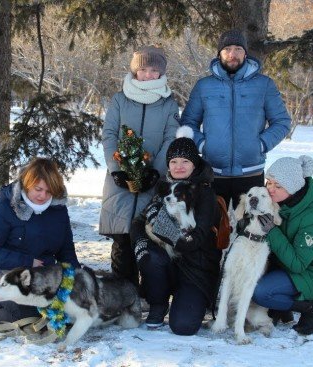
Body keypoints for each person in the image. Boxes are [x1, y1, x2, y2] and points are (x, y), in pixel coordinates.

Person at [0, 157, 80, 329]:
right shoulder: (5, 208)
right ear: (27, 183)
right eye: (38, 189)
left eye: (49, 191)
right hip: (2, 276)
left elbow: (66, 251)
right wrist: (27, 261)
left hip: (42, 278)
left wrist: (78, 280)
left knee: (72, 309)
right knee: (22, 313)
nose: (43, 196)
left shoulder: (58, 211)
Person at [180, 29, 291, 211]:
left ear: (245, 53)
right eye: (227, 49)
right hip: (212, 172)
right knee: (212, 229)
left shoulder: (264, 85)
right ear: (219, 54)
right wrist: (202, 146)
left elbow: (282, 121)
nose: (233, 54)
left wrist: (261, 144)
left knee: (249, 228)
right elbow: (188, 123)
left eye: (238, 49)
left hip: (251, 172)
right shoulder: (204, 86)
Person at [100, 45, 180, 288]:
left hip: (152, 180)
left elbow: (171, 137)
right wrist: (118, 170)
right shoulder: (120, 99)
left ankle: (150, 293)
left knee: (149, 237)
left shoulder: (168, 103)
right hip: (120, 182)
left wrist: (155, 171)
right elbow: (109, 134)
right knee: (122, 240)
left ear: (161, 73)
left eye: (154, 70)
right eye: (143, 69)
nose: (148, 75)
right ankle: (124, 293)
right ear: (135, 71)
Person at [129, 126, 222, 335]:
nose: (178, 166)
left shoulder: (205, 194)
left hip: (195, 269)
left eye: (185, 161)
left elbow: (196, 240)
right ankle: (158, 303)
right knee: (151, 256)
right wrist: (141, 242)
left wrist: (163, 228)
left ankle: (191, 301)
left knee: (183, 326)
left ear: (194, 163)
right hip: (168, 263)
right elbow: (138, 221)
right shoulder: (164, 187)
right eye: (173, 161)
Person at [250, 155, 313, 335]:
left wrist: (272, 231)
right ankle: (281, 307)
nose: (270, 190)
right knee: (250, 282)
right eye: (269, 182)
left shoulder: (311, 217)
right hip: (286, 266)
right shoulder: (277, 203)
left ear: (293, 188)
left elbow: (298, 264)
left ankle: (311, 307)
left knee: (261, 293)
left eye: (278, 186)